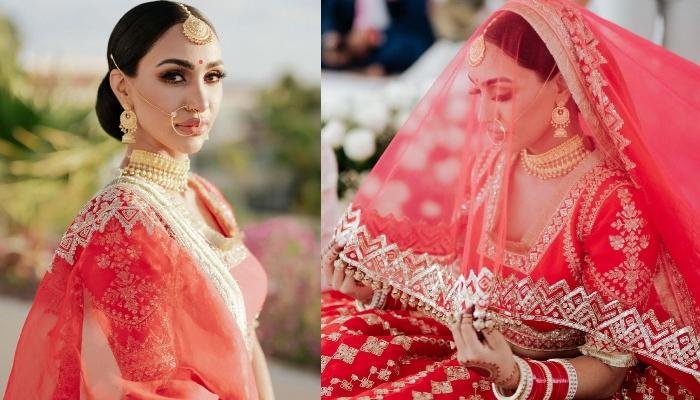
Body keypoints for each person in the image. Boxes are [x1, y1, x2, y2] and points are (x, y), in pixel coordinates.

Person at [321, 0, 700, 398]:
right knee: (333, 348)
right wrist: (377, 293)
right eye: (478, 92)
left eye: (501, 94)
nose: (484, 115)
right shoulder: (492, 164)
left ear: (560, 85)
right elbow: (462, 288)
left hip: (548, 384)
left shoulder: (613, 203)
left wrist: (516, 377)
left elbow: (611, 370)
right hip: (472, 355)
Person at [3, 2, 274, 399]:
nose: (201, 100)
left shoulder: (206, 195)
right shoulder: (126, 219)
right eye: (175, 76)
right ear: (122, 86)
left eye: (213, 76)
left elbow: (248, 340)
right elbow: (123, 386)